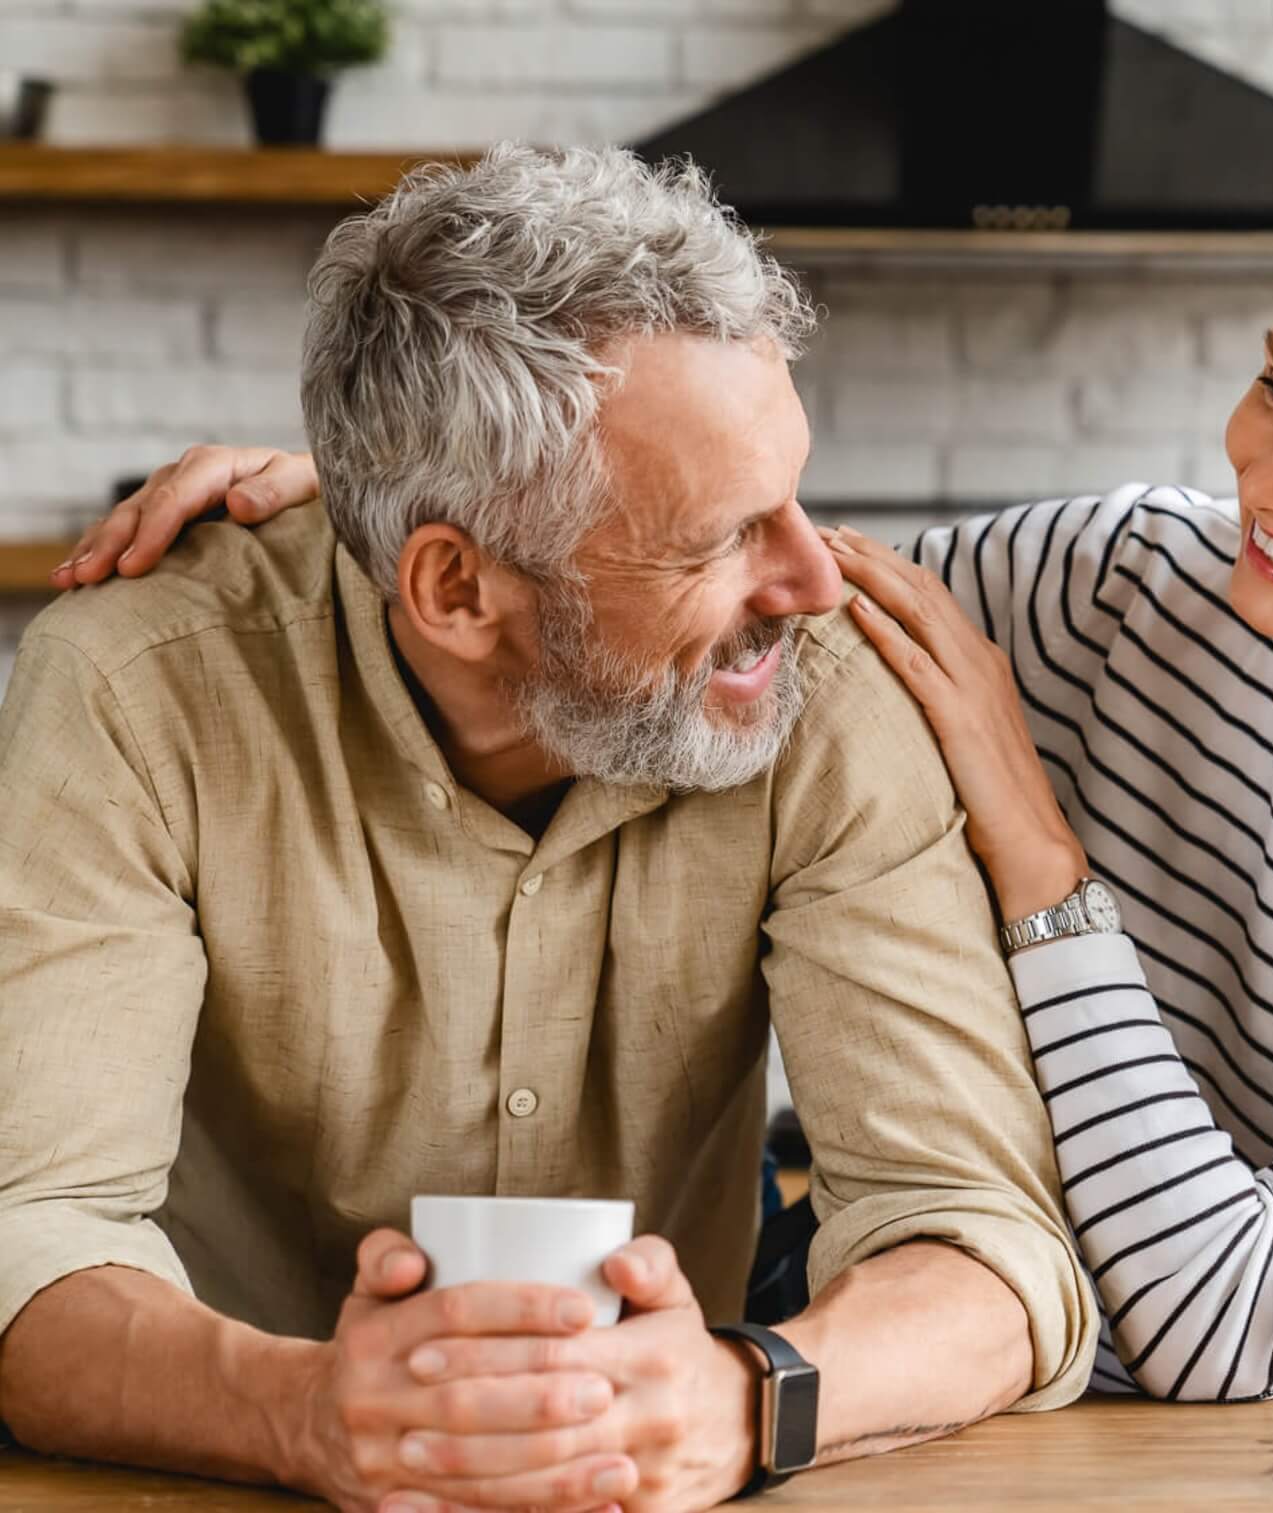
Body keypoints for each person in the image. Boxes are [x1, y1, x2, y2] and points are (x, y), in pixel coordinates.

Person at [63, 157, 1273, 1398]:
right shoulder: (1134, 580)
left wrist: (1041, 860)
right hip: (992, 1410)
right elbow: (696, 585)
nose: (1259, 471)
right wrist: (383, 491)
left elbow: (1235, 1321)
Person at [0, 145, 1097, 1513]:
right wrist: (296, 1413)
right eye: (719, 537)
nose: (813, 575)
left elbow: (989, 1248)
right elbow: (27, 1236)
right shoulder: (134, 688)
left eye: (795, 494)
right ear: (455, 588)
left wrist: (751, 1398)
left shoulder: (823, 691)